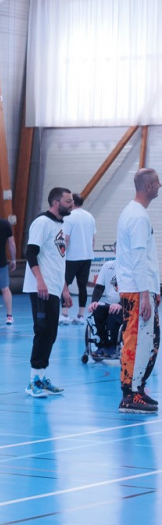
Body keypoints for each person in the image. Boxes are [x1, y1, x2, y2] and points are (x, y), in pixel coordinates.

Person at [115, 167, 162, 414]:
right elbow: (138, 258)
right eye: (157, 182)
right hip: (136, 291)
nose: (160, 186)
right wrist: (144, 293)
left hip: (142, 289)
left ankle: (138, 388)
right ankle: (129, 395)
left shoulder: (136, 213)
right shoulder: (137, 216)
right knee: (135, 341)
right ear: (148, 186)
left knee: (150, 341)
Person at [23, 187, 73, 397]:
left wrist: (64, 289)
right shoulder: (42, 223)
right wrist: (40, 281)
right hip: (41, 288)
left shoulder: (60, 225)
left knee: (51, 333)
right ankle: (33, 381)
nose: (72, 205)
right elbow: (30, 252)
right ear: (55, 203)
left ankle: (41, 377)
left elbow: (58, 261)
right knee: (43, 331)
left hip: (54, 287)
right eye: (68, 201)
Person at [60, 193, 96, 325]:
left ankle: (64, 314)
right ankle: (81, 315)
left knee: (65, 284)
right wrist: (90, 252)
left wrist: (61, 255)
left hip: (71, 257)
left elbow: (66, 238)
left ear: (73, 203)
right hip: (87, 256)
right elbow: (93, 238)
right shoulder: (90, 216)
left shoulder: (69, 217)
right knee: (82, 286)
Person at [87, 259, 122, 359]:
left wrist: (120, 304)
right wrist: (94, 302)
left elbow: (133, 292)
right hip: (109, 304)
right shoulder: (108, 266)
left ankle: (113, 346)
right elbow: (99, 287)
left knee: (114, 312)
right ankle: (102, 345)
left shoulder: (131, 266)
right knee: (97, 310)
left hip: (125, 304)